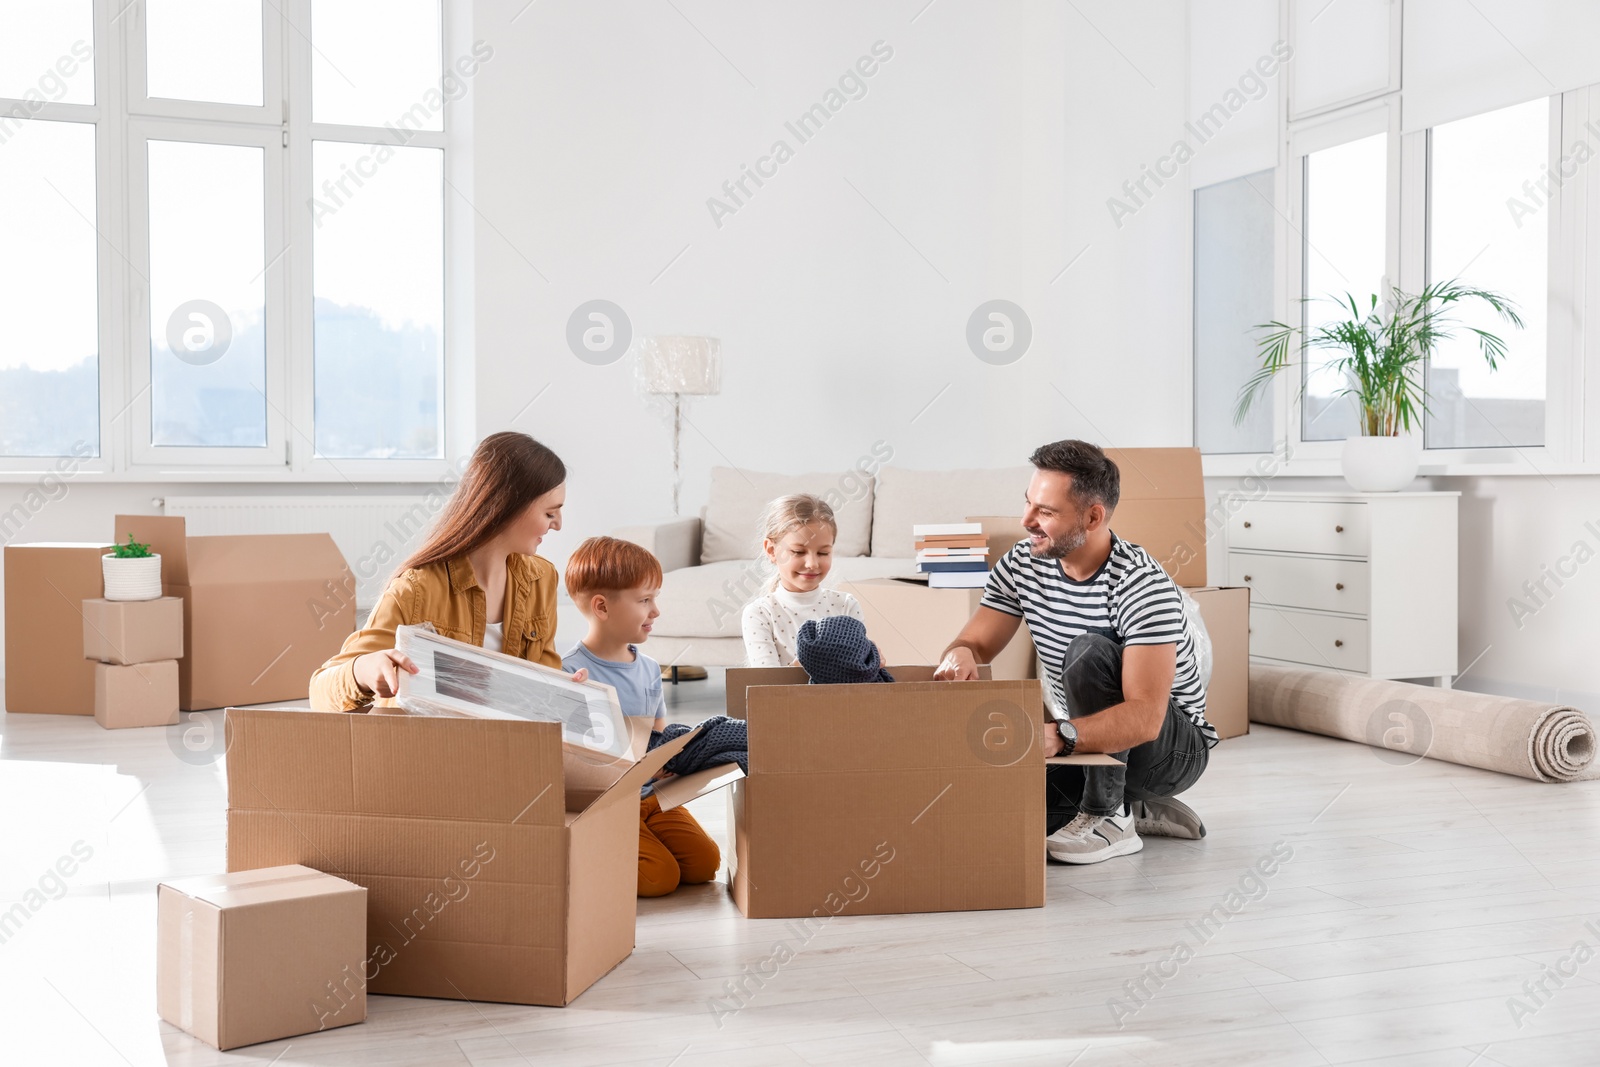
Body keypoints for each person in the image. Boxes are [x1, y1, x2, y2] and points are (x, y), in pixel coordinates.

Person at [934, 439, 1215, 865]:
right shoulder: (1022, 564)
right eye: (1028, 503)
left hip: (1169, 751)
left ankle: (1110, 816)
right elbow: (975, 642)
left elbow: (1145, 717)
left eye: (1045, 512)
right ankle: (1135, 804)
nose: (1026, 520)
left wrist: (1061, 736)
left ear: (1093, 516)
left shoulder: (1141, 584)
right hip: (1087, 740)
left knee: (1090, 650)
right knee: (1006, 815)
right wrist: (960, 654)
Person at [308, 431, 587, 711]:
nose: (558, 525)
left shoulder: (542, 578)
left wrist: (564, 690)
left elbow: (544, 679)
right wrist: (362, 671)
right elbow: (321, 693)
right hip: (437, 746)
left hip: (507, 743)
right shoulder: (416, 590)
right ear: (508, 507)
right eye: (550, 513)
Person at [561, 536, 721, 897]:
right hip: (607, 803)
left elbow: (661, 737)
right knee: (658, 878)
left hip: (650, 796)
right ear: (602, 607)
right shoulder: (569, 672)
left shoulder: (649, 669)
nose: (656, 611)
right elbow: (573, 760)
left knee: (704, 864)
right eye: (645, 600)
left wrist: (675, 759)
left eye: (655, 598)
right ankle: (578, 861)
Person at [740, 494, 863, 667]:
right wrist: (813, 663)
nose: (812, 564)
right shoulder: (760, 613)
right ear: (771, 551)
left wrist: (870, 657)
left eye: (823, 553)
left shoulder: (846, 605)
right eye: (798, 552)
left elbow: (857, 671)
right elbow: (767, 687)